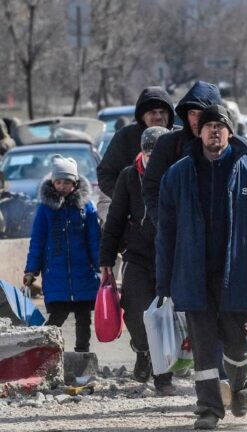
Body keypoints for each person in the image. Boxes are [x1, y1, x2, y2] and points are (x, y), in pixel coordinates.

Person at [155, 105, 247, 430]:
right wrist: (163, 282)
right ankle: (209, 408)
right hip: (194, 275)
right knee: (204, 346)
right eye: (209, 126)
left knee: (236, 342)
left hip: (239, 273)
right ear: (199, 132)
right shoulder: (178, 175)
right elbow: (166, 233)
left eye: (221, 126)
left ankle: (239, 383)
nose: (215, 131)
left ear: (230, 132)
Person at [98, 126, 174, 394]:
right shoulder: (129, 177)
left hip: (171, 257)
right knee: (135, 311)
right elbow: (116, 219)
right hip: (138, 255)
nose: (154, 159)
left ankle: (163, 375)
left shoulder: (177, 173)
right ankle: (142, 350)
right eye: (149, 153)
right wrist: (107, 257)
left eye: (159, 154)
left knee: (167, 317)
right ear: (142, 152)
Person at [24, 156, 100, 352]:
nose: (62, 186)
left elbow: (94, 240)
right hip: (55, 277)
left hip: (83, 275)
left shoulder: (86, 207)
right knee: (56, 318)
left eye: (67, 182)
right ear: (52, 182)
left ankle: (82, 355)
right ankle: (44, 353)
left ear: (74, 183)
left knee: (84, 320)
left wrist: (102, 265)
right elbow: (38, 241)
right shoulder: (45, 210)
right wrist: (32, 270)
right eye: (59, 181)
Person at [143, 80, 222, 225]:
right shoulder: (168, 144)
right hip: (180, 234)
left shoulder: (236, 149)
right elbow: (151, 187)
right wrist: (164, 224)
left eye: (202, 113)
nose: (196, 120)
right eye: (192, 113)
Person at [97, 86, 174, 198]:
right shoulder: (125, 137)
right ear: (142, 116)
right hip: (136, 213)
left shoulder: (179, 137)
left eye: (162, 112)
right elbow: (105, 174)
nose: (158, 116)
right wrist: (127, 200)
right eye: (152, 112)